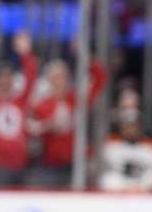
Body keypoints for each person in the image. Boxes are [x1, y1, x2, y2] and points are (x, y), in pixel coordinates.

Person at [28, 56, 106, 187]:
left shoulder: (77, 100)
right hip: (51, 166)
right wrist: (46, 126)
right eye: (55, 78)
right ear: (49, 80)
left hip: (76, 164)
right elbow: (31, 131)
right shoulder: (41, 105)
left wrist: (86, 57)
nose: (59, 82)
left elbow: (100, 79)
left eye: (62, 77)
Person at [0, 28, 37, 186]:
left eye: (8, 77)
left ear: (13, 79)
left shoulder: (20, 101)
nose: (5, 81)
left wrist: (25, 54)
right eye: (1, 77)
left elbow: (31, 76)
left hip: (19, 166)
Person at [98, 107, 152, 192]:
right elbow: (103, 171)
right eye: (127, 126)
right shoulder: (111, 147)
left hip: (144, 191)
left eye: (134, 126)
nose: (131, 130)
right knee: (108, 180)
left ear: (140, 128)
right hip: (118, 191)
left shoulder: (150, 149)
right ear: (121, 127)